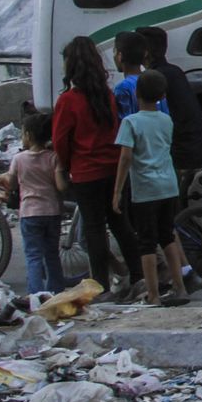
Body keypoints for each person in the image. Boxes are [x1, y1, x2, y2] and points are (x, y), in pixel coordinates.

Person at [51, 35, 146, 300]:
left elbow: (61, 140)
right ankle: (138, 276)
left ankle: (100, 284)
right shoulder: (106, 95)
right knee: (120, 224)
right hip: (113, 169)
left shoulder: (68, 101)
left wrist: (65, 167)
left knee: (94, 229)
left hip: (86, 172)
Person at [112, 70, 191, 306]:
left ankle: (154, 294)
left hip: (145, 189)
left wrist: (117, 191)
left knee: (146, 242)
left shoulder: (130, 122)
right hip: (168, 186)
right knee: (167, 236)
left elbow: (125, 158)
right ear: (162, 95)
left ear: (136, 93)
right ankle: (180, 287)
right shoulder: (166, 120)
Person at [0, 112, 69, 294]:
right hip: (52, 212)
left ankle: (36, 294)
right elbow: (61, 186)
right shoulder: (54, 157)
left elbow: (10, 184)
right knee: (52, 254)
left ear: (28, 135)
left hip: (29, 214)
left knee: (34, 256)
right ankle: (57, 291)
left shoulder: (19, 159)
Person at [135, 27, 202, 188]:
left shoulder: (155, 77)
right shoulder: (174, 71)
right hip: (196, 147)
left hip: (181, 153)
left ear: (145, 52)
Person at [110, 31, 166, 120]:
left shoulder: (123, 88)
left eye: (114, 51)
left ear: (120, 56)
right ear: (145, 54)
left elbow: (125, 122)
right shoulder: (153, 80)